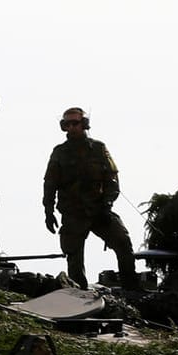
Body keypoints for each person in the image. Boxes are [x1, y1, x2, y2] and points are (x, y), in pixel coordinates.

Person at [42, 107, 139, 291]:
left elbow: (112, 179)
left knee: (123, 241)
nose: (71, 127)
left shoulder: (98, 148)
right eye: (67, 124)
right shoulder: (59, 153)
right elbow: (50, 183)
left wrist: (107, 204)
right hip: (73, 214)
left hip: (98, 210)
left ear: (84, 124)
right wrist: (48, 210)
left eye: (75, 123)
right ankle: (79, 294)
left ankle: (131, 288)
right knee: (74, 257)